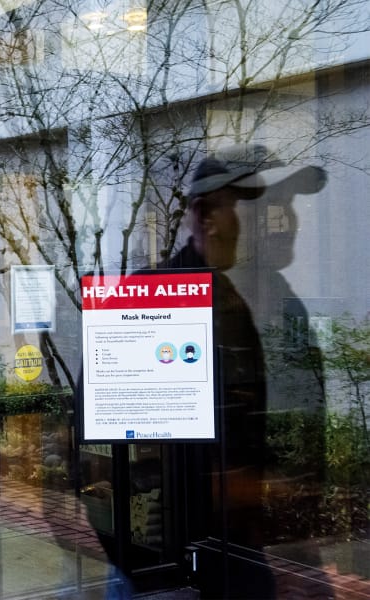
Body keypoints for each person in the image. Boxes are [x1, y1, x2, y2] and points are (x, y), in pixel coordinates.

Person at [158, 144, 326, 599]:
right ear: (205, 216)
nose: (286, 219)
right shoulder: (152, 304)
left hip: (266, 555)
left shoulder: (278, 300)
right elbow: (107, 462)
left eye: (287, 204)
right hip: (188, 572)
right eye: (265, 206)